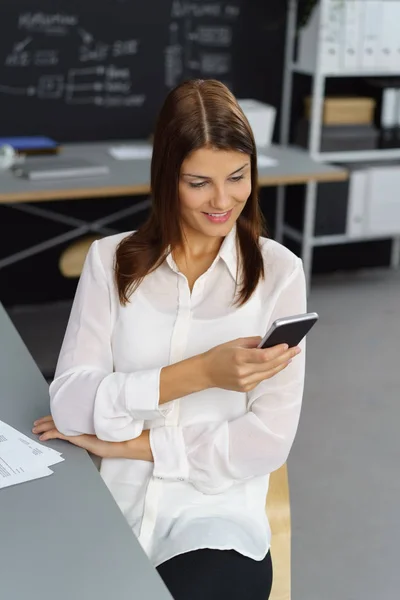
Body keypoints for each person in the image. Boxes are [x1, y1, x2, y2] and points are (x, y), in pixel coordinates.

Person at [33, 79, 306, 600]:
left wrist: (128, 444)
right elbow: (69, 402)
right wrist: (200, 373)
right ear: (166, 178)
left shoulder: (279, 274)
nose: (223, 201)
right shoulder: (110, 262)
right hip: (112, 510)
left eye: (238, 176)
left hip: (216, 517)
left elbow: (266, 440)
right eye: (198, 182)